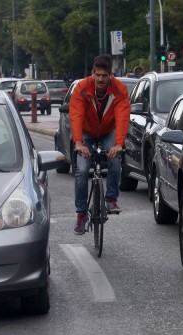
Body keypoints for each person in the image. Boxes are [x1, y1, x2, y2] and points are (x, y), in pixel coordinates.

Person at [69, 54, 130, 235]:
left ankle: (111, 199)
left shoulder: (120, 89)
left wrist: (118, 144)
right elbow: (76, 115)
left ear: (111, 75)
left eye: (105, 76)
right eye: (98, 75)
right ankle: (81, 215)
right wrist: (79, 143)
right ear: (92, 73)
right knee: (81, 170)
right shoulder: (82, 88)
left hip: (108, 130)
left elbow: (122, 116)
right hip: (87, 131)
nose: (101, 79)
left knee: (114, 159)